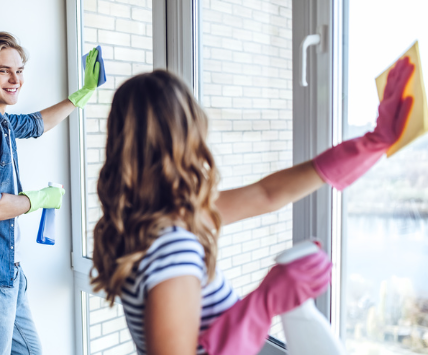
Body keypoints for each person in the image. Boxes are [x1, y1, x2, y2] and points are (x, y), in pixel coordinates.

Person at [90, 57, 413, 355]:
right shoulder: (172, 247)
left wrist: (372, 142)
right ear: (185, 139)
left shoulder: (156, 219)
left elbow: (266, 194)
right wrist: (264, 301)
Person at [0, 32, 100, 355]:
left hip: (3, 269)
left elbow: (33, 124)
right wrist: (37, 199)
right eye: (3, 71)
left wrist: (80, 96)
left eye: (20, 70)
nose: (16, 79)